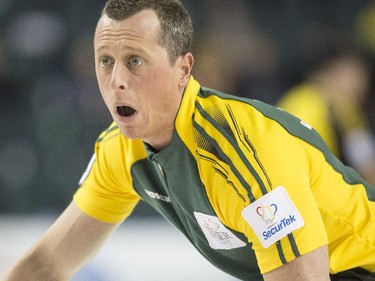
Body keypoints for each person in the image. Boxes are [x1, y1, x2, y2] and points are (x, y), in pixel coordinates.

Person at [1, 0, 374, 280]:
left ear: (183, 68)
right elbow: (47, 263)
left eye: (134, 60)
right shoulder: (120, 151)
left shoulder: (238, 150)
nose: (116, 80)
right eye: (104, 60)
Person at [278, 44, 375, 186]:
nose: (361, 85)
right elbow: (367, 167)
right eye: (355, 75)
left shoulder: (293, 100)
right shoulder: (335, 105)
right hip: (309, 190)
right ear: (331, 73)